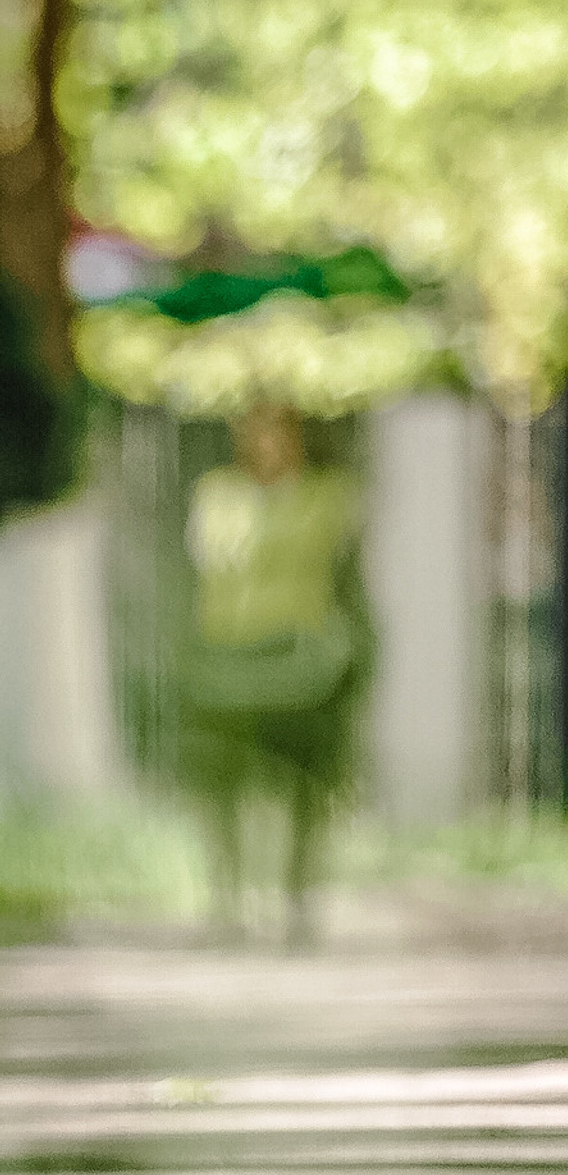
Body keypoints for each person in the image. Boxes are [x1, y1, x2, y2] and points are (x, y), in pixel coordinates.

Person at [174, 402, 370, 948]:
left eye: (276, 431)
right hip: (229, 655)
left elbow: (328, 560)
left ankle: (297, 898)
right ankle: (228, 894)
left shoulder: (326, 495)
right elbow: (216, 557)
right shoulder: (218, 493)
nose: (264, 444)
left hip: (300, 658)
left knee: (305, 784)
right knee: (223, 780)